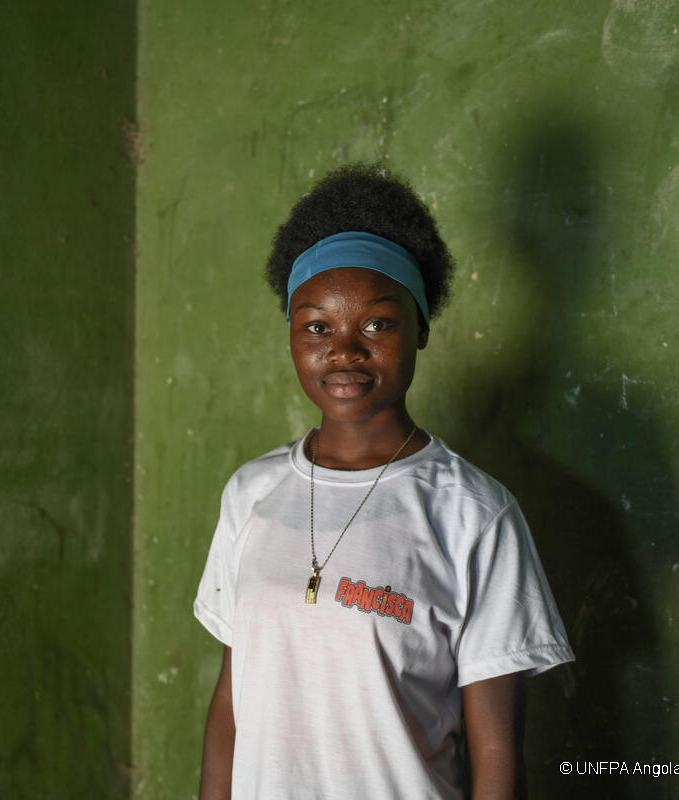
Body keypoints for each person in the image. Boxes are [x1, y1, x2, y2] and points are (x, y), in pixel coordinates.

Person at [193, 164, 574, 799]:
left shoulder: (474, 514)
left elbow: (496, 753)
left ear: (420, 327)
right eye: (317, 326)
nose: (344, 350)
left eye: (376, 324)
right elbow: (230, 709)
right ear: (291, 334)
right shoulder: (251, 495)